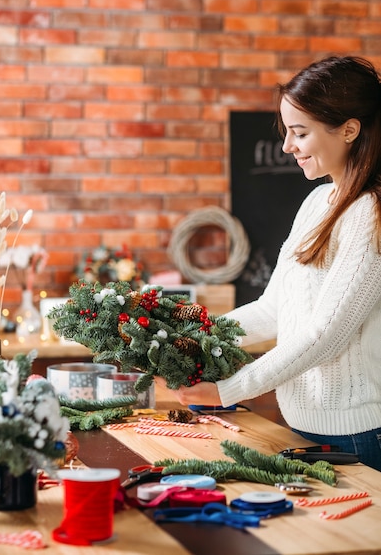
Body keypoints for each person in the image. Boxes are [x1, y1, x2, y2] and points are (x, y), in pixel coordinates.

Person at [161, 55, 381, 472]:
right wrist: (191, 338)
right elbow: (272, 310)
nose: (287, 147)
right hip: (301, 428)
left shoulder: (369, 212)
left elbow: (326, 335)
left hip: (359, 438)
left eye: (300, 133)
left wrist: (229, 390)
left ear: (350, 129)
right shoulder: (319, 202)